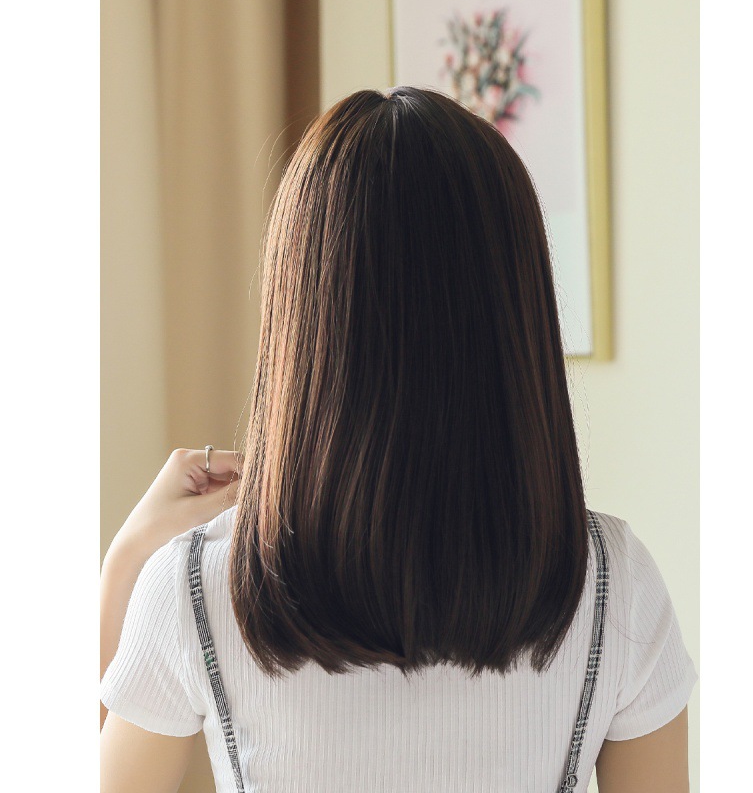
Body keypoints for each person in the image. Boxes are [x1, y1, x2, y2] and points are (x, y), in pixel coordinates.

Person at [99, 86, 698, 792]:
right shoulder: (612, 583)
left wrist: (126, 565)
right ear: (516, 313)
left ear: (303, 316)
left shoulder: (194, 587)